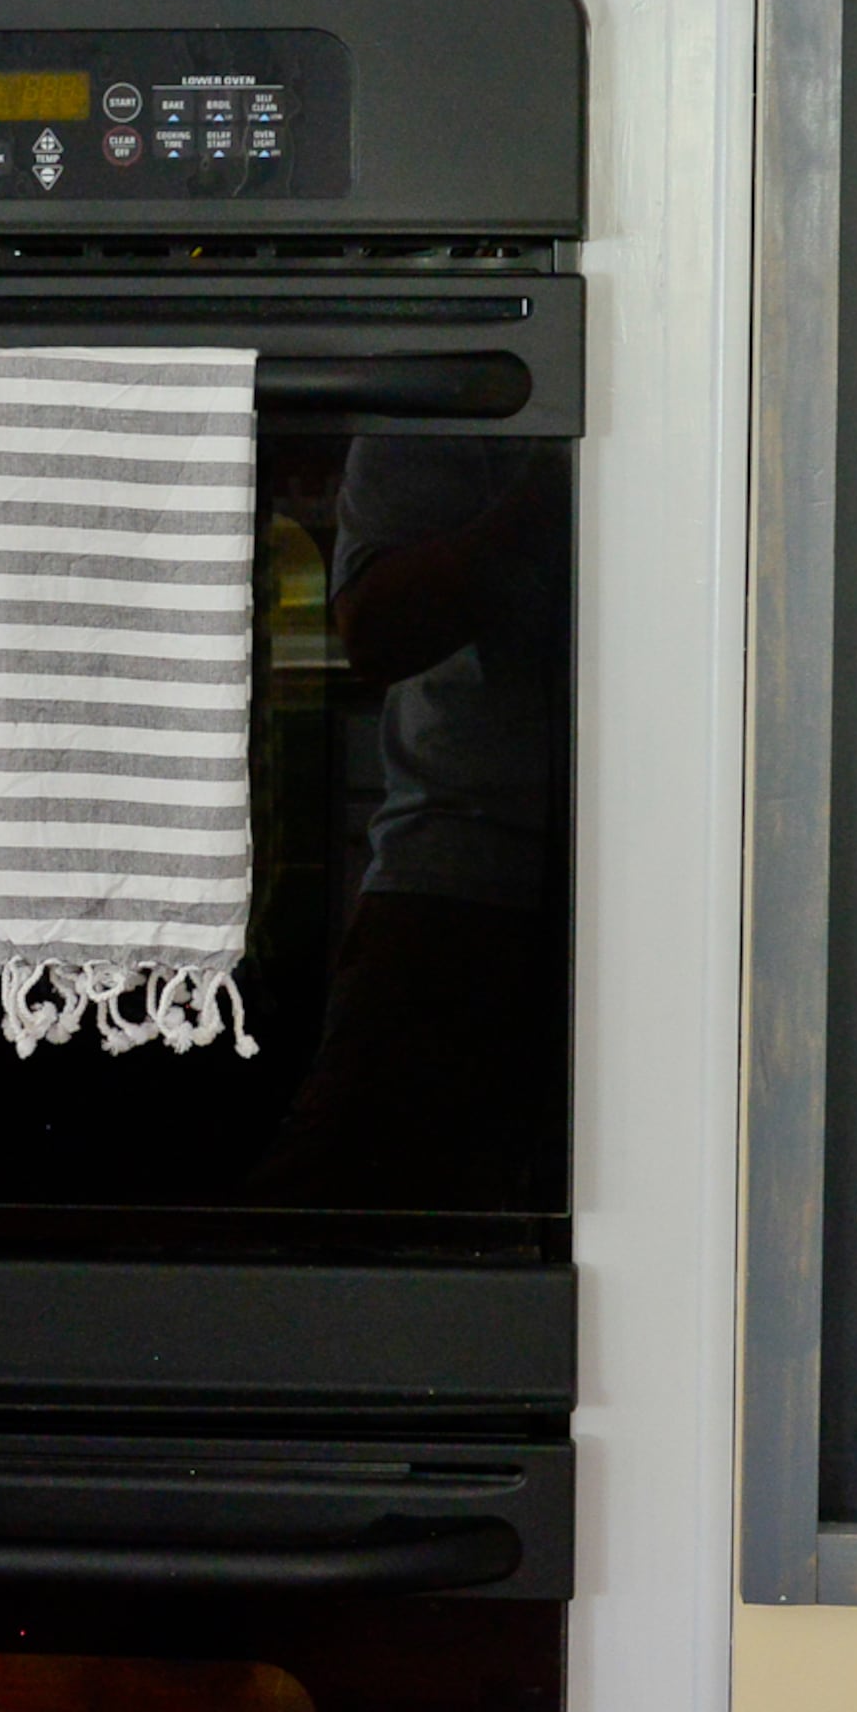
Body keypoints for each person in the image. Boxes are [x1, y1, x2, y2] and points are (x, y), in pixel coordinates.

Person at [246, 436, 568, 1206]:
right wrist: (548, 498)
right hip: (468, 864)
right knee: (327, 1212)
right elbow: (373, 626)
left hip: (513, 861)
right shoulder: (446, 401)